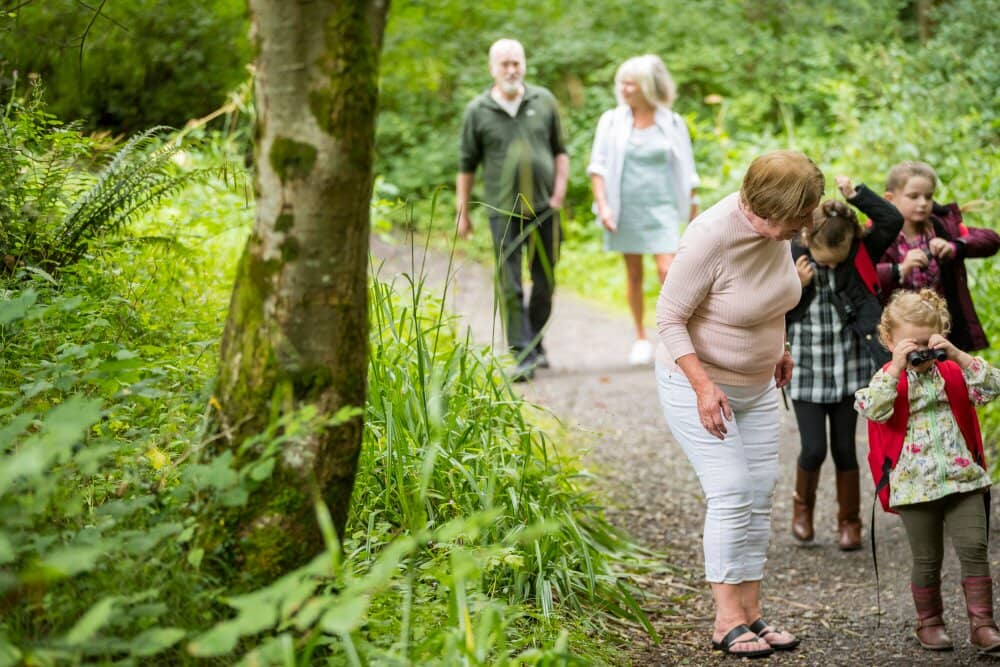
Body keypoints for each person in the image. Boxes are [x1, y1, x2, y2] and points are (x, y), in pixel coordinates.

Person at [656, 150, 824, 657]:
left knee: (760, 491)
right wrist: (704, 385)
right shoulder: (710, 237)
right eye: (796, 220)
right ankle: (725, 619)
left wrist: (782, 347)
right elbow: (668, 320)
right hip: (700, 384)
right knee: (731, 491)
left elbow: (772, 296)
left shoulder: (776, 231)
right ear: (763, 209)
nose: (802, 228)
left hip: (758, 384)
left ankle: (751, 613)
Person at [855, 289, 1000, 654]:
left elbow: (992, 387)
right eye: (910, 345)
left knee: (974, 549)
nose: (921, 353)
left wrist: (957, 355)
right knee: (927, 558)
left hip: (962, 478)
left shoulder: (952, 372)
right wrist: (897, 367)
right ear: (889, 341)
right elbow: (874, 409)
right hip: (914, 486)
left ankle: (983, 625)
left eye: (927, 344)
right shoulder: (888, 379)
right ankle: (930, 622)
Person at [785, 175, 903, 550]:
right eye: (825, 259)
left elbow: (891, 221)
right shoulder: (792, 254)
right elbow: (767, 297)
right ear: (807, 240)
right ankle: (802, 510)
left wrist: (857, 195)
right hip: (806, 366)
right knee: (813, 449)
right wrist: (795, 285)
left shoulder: (857, 253)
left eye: (839, 258)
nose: (832, 265)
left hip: (849, 365)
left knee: (845, 448)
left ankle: (849, 522)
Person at [456, 38, 569, 381]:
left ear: (524, 65)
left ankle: (534, 341)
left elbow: (560, 151)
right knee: (510, 282)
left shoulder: (543, 100)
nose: (511, 69)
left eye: (516, 62)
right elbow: (466, 164)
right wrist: (462, 211)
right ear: (492, 68)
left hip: (546, 207)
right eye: (504, 63)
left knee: (545, 280)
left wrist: (559, 193)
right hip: (501, 210)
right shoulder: (477, 111)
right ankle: (521, 354)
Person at [587, 54, 699, 366]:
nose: (623, 88)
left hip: (662, 206)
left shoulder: (671, 122)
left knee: (669, 270)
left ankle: (674, 335)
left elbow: (688, 171)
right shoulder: (610, 121)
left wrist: (694, 212)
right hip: (626, 209)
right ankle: (639, 337)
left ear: (646, 87)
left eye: (630, 83)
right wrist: (604, 207)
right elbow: (598, 168)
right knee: (633, 274)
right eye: (621, 82)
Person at [876, 160, 999, 352]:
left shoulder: (942, 228)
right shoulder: (879, 234)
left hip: (942, 331)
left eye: (928, 196)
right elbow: (864, 274)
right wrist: (899, 269)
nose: (923, 203)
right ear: (890, 198)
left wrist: (955, 247)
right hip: (899, 332)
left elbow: (990, 240)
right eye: (913, 196)